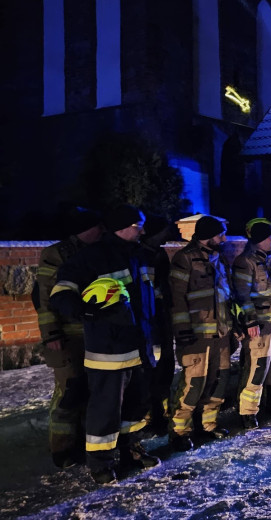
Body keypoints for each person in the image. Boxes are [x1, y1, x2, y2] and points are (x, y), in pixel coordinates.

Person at [49, 204, 161, 484]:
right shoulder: (92, 257)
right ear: (122, 227)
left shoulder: (140, 256)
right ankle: (100, 463)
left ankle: (131, 450)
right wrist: (85, 311)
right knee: (105, 409)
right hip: (109, 350)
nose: (143, 231)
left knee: (136, 406)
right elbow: (60, 293)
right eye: (138, 226)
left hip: (140, 346)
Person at [36, 208, 103, 469]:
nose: (103, 231)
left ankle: (83, 442)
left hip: (93, 332)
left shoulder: (97, 250)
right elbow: (45, 298)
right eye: (99, 227)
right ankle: (62, 448)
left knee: (91, 390)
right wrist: (51, 333)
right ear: (88, 228)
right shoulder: (55, 254)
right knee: (69, 392)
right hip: (66, 335)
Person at [167, 215, 233, 451]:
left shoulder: (219, 258)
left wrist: (234, 327)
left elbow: (227, 296)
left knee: (218, 381)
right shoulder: (184, 259)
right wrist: (182, 329)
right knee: (193, 384)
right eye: (220, 234)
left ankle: (208, 424)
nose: (223, 239)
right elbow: (176, 297)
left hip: (221, 333)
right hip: (195, 335)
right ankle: (179, 431)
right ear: (207, 236)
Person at [233, 219, 271, 430]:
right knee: (257, 367)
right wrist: (250, 320)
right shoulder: (245, 262)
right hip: (259, 324)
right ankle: (248, 412)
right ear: (260, 240)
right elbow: (241, 294)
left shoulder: (269, 259)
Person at [137, 215, 178, 435]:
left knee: (165, 366)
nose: (168, 235)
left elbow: (165, 285)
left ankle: (161, 413)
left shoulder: (159, 254)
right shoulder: (138, 255)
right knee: (149, 370)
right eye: (165, 230)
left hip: (162, 318)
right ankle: (150, 415)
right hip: (147, 321)